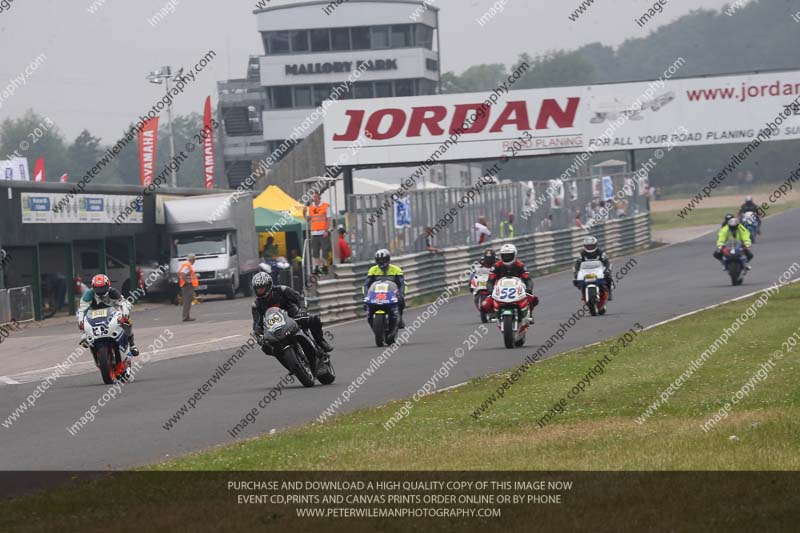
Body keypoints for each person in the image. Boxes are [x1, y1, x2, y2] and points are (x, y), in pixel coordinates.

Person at [250, 272, 333, 354]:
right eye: (258, 289)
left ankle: (320, 341)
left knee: (314, 319)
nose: (260, 291)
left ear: (268, 285)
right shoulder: (256, 305)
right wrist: (259, 335)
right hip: (274, 327)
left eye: (262, 288)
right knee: (265, 347)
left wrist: (302, 309)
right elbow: (257, 324)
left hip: (293, 317)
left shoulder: (282, 290)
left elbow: (300, 299)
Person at [77, 274, 138, 357]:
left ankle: (132, 344)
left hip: (113, 313)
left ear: (108, 285)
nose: (100, 290)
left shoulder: (113, 292)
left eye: (102, 287)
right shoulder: (88, 294)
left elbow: (124, 303)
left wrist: (125, 315)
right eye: (97, 288)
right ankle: (85, 335)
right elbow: (82, 309)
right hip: (95, 315)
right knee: (79, 315)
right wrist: (81, 322)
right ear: (93, 287)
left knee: (128, 321)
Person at [480, 244, 538, 319]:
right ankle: (494, 314)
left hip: (517, 287)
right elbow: (490, 281)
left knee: (533, 298)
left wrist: (529, 289)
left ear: (515, 255)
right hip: (500, 288)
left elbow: (528, 279)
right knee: (484, 305)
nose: (507, 258)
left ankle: (529, 314)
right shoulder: (496, 266)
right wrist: (491, 290)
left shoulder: (520, 265)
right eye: (505, 256)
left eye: (509, 255)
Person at [363, 249, 406, 328]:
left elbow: (402, 284)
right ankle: (371, 320)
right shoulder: (373, 270)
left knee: (401, 301)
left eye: (383, 259)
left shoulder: (396, 270)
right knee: (366, 305)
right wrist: (366, 295)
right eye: (379, 260)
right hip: (377, 295)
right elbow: (366, 285)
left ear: (388, 259)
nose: (381, 262)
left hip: (392, 294)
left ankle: (400, 318)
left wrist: (401, 294)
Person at [573, 236, 614, 301]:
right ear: (585, 246)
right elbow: (576, 264)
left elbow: (607, 262)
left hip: (599, 270)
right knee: (576, 281)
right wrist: (576, 273)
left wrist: (607, 270)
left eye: (591, 246)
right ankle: (584, 293)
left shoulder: (600, 253)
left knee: (608, 277)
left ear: (595, 245)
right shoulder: (582, 254)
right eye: (588, 246)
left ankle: (609, 291)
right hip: (586, 271)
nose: (590, 247)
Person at [306, 193, 331, 272]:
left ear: (319, 198)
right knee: (315, 251)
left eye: (316, 197)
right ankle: (316, 266)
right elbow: (308, 219)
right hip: (314, 232)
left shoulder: (325, 206)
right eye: (313, 197)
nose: (314, 199)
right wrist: (304, 212)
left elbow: (329, 219)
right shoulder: (310, 207)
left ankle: (325, 266)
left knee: (324, 250)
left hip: (323, 231)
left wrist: (326, 230)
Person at [178, 253, 198, 322]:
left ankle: (186, 316)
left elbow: (179, 272)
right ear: (192, 259)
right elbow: (183, 273)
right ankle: (185, 317)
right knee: (187, 301)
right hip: (187, 286)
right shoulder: (187, 265)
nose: (195, 261)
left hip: (187, 285)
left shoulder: (185, 264)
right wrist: (186, 281)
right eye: (194, 259)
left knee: (188, 300)